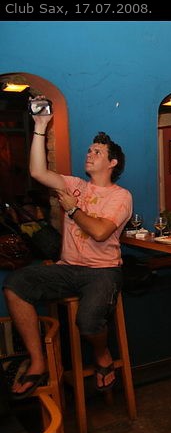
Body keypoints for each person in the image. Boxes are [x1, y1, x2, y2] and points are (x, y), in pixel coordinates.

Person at [3, 105, 132, 398]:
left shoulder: (121, 196)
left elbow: (100, 232)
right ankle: (38, 361)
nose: (89, 154)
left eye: (97, 152)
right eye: (89, 150)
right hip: (68, 268)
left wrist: (73, 210)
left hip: (103, 271)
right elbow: (37, 171)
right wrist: (40, 126)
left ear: (112, 163)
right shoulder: (74, 185)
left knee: (87, 322)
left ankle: (102, 354)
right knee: (15, 285)